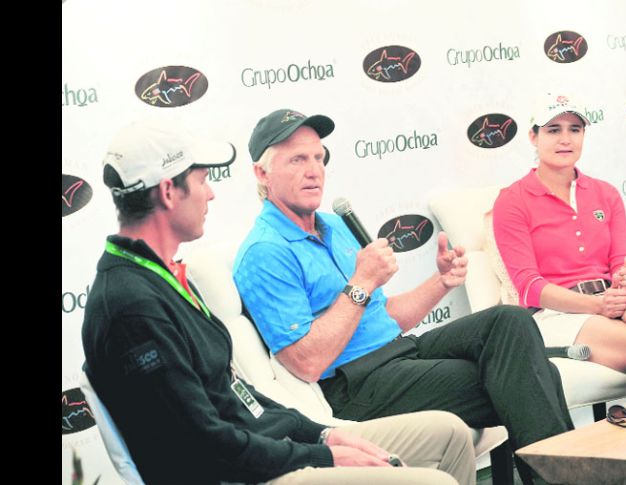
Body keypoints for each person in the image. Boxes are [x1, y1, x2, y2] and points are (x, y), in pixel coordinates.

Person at [81, 120, 478, 485]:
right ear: (169, 191)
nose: (212, 192)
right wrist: (323, 457)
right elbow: (205, 445)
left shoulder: (164, 279)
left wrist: (322, 432)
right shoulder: (131, 307)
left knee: (452, 435)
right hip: (245, 473)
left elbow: (239, 397)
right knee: (433, 482)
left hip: (269, 450)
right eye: (203, 180)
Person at [233, 109, 575, 485]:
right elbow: (306, 362)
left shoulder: (332, 225)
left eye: (318, 157)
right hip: (354, 385)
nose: (314, 170)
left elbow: (382, 316)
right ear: (262, 174)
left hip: (402, 352)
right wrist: (362, 281)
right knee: (534, 377)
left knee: (510, 320)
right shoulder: (265, 251)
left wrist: (441, 282)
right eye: (297, 159)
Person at [491, 93, 626, 396]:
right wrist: (596, 305)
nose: (565, 139)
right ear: (534, 136)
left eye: (575, 129)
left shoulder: (605, 193)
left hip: (611, 300)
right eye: (553, 130)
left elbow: (622, 258)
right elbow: (530, 288)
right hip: (555, 313)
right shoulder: (512, 200)